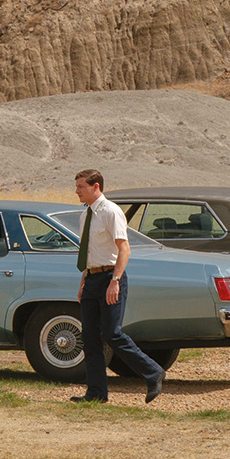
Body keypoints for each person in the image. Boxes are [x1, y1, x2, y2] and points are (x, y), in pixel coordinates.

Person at [72, 168, 164, 404]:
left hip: (111, 278)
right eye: (77, 186)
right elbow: (90, 252)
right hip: (92, 278)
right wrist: (84, 280)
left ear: (96, 187)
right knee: (90, 338)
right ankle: (96, 393)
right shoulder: (86, 215)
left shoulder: (111, 212)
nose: (77, 191)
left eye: (81, 186)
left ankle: (153, 372)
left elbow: (124, 249)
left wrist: (115, 281)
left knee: (112, 333)